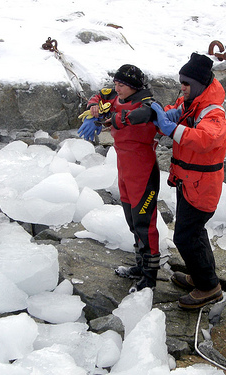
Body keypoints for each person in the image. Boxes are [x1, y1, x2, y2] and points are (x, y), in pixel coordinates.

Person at [150, 52, 226, 309]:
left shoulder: (213, 112)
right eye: (181, 82)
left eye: (185, 84)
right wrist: (166, 113)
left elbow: (206, 139)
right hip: (189, 181)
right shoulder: (193, 100)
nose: (181, 87)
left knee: (186, 236)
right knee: (194, 233)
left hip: (203, 185)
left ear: (197, 84)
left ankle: (209, 287)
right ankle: (202, 275)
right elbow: (179, 109)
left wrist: (171, 128)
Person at [78, 64, 160, 292]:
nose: (116, 87)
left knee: (145, 223)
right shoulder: (115, 95)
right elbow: (99, 96)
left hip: (143, 170)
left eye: (121, 84)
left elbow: (146, 114)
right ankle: (140, 266)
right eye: (116, 83)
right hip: (125, 168)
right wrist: (94, 108)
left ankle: (150, 277)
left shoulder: (148, 102)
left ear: (133, 86)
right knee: (132, 221)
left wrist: (116, 119)